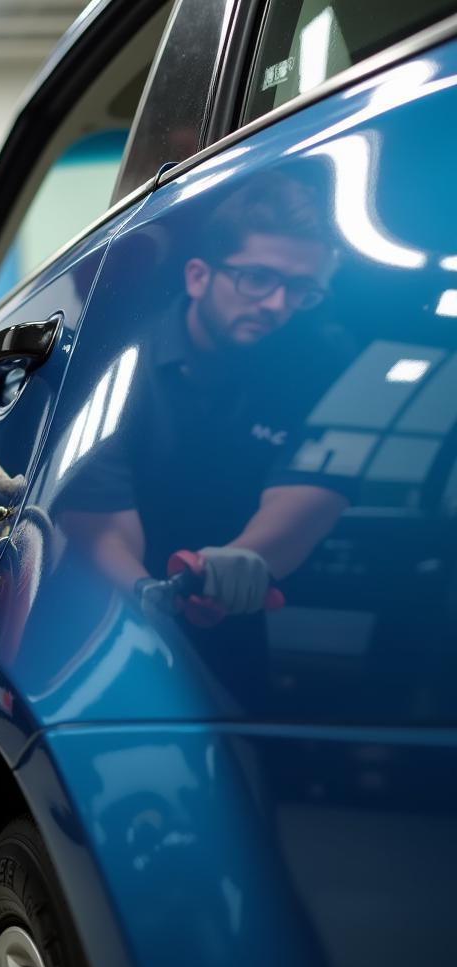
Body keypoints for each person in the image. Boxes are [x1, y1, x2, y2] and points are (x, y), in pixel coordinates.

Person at [60, 171, 355, 683]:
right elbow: (102, 523)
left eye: (300, 289)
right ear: (199, 276)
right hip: (111, 614)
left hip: (240, 602)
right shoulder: (119, 362)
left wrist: (245, 559)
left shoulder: (322, 362)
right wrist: (153, 599)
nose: (276, 305)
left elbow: (310, 494)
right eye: (258, 278)